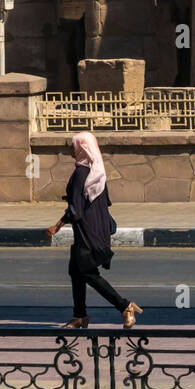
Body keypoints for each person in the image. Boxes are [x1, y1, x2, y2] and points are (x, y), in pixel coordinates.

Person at [45, 131, 142, 329]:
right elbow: (103, 202)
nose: (70, 150)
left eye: (73, 146)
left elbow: (77, 210)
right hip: (98, 230)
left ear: (82, 149)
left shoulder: (81, 173)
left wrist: (58, 225)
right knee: (76, 271)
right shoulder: (98, 171)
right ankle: (79, 315)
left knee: (88, 273)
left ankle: (124, 306)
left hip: (86, 232)